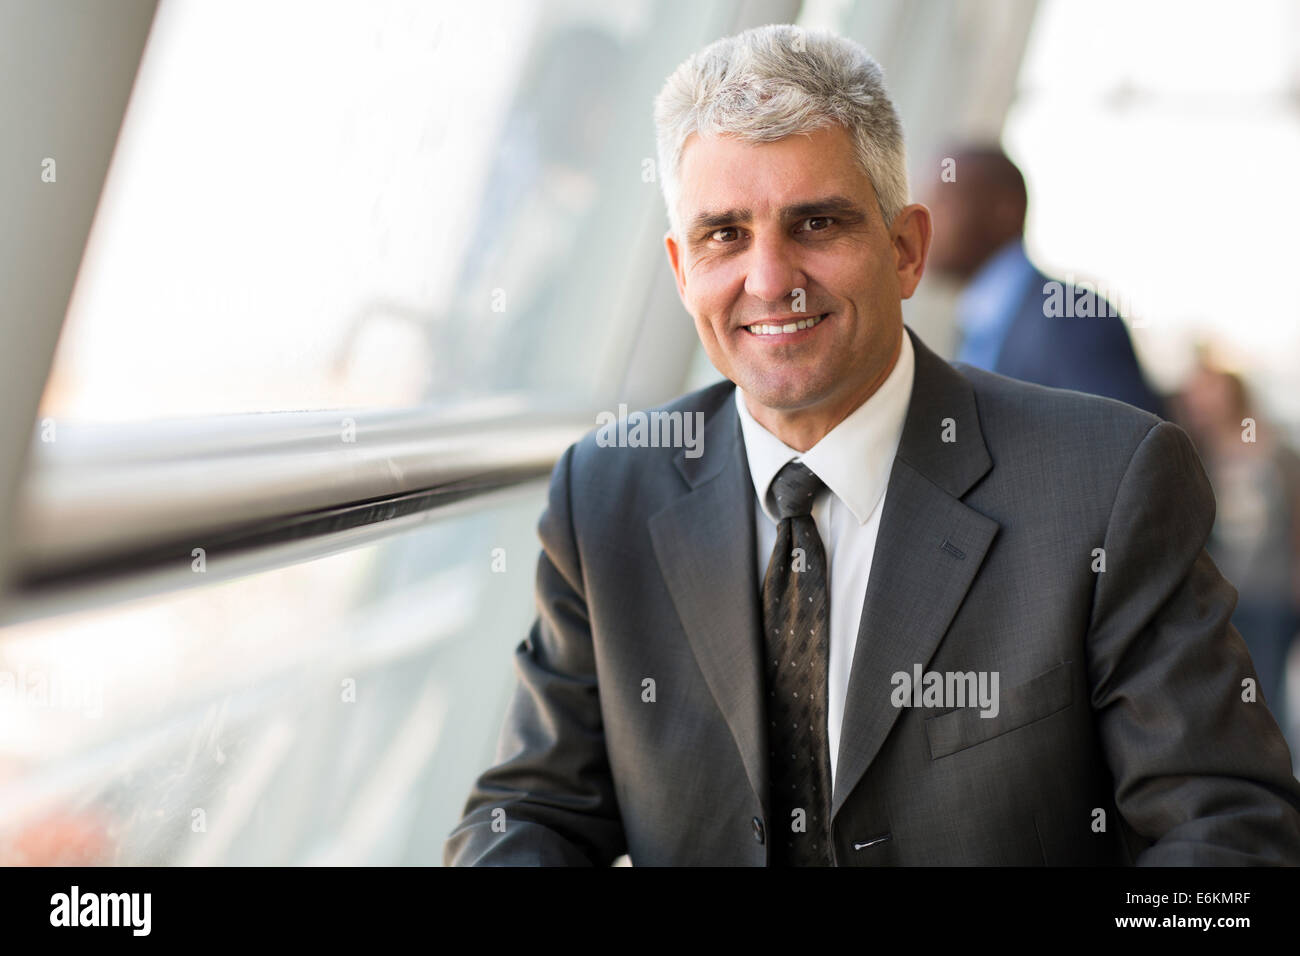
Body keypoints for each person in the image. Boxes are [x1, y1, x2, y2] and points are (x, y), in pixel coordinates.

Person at [445, 24, 1300, 865]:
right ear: (679, 270)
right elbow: (529, 809)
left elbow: (1229, 835)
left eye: (816, 224)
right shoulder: (605, 496)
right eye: (724, 235)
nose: (770, 279)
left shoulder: (1105, 484)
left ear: (904, 250)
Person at [922, 145, 1166, 418]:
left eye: (943, 203)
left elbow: (1121, 449)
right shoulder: (974, 329)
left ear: (1005, 211)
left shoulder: (1073, 316)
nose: (923, 221)